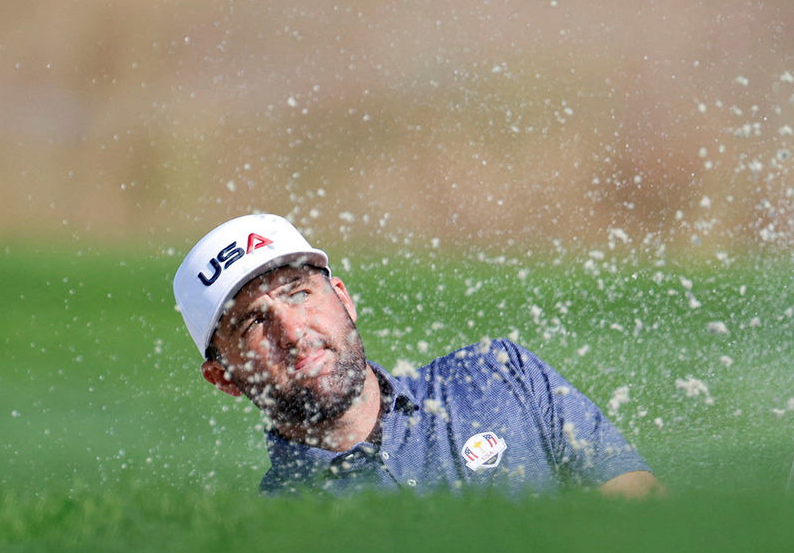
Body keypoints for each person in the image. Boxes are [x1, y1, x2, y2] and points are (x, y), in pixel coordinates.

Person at [173, 213, 663, 498]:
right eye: (254, 322)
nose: (293, 330)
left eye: (300, 292)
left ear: (343, 298)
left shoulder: (496, 376)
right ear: (224, 377)